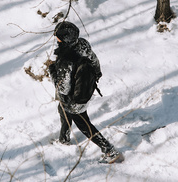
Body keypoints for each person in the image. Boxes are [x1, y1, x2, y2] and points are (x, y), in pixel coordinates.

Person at [48, 21, 123, 164]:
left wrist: (52, 71)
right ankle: (64, 139)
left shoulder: (66, 59)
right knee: (63, 109)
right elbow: (94, 60)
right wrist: (93, 77)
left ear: (65, 39)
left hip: (75, 98)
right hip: (86, 89)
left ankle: (110, 151)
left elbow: (63, 89)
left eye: (58, 37)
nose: (56, 39)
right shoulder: (83, 44)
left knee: (84, 124)